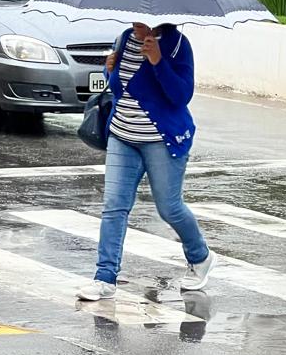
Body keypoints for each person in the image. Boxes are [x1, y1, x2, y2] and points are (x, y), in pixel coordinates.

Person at [77, 22, 213, 301]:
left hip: (161, 140)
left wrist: (157, 61)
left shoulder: (177, 44)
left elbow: (181, 95)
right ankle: (104, 277)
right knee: (114, 206)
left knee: (169, 208)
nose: (135, 24)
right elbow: (118, 90)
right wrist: (110, 70)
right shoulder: (124, 39)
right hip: (122, 137)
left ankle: (200, 257)